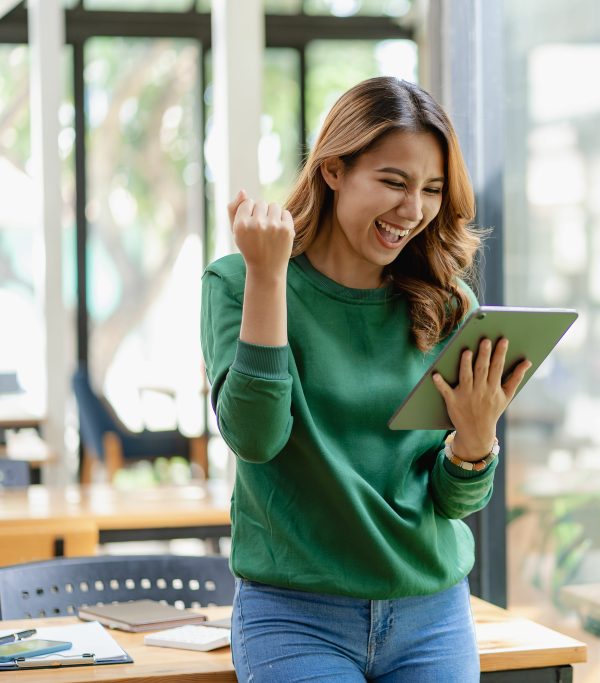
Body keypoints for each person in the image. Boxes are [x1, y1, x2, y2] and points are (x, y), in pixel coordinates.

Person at [200, 76, 531, 683]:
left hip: (432, 615)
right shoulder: (237, 283)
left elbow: (451, 502)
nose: (414, 211)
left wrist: (476, 441)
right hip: (295, 617)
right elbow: (255, 437)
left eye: (432, 190)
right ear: (332, 170)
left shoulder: (445, 302)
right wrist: (268, 279)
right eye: (393, 182)